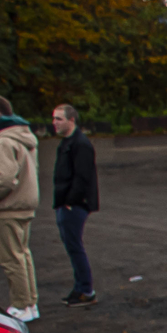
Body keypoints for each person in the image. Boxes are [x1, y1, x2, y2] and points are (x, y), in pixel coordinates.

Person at [0, 95, 39, 321]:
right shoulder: (24, 137)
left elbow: (3, 178)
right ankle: (30, 302)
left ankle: (22, 305)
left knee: (11, 259)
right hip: (25, 204)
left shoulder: (3, 140)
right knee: (23, 255)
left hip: (8, 207)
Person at [50, 104, 99, 306]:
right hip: (66, 203)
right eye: (54, 118)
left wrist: (70, 201)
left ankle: (86, 290)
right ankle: (81, 287)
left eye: (59, 119)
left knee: (75, 246)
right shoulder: (68, 143)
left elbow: (82, 176)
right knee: (72, 246)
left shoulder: (80, 144)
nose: (54, 123)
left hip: (73, 205)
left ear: (71, 120)